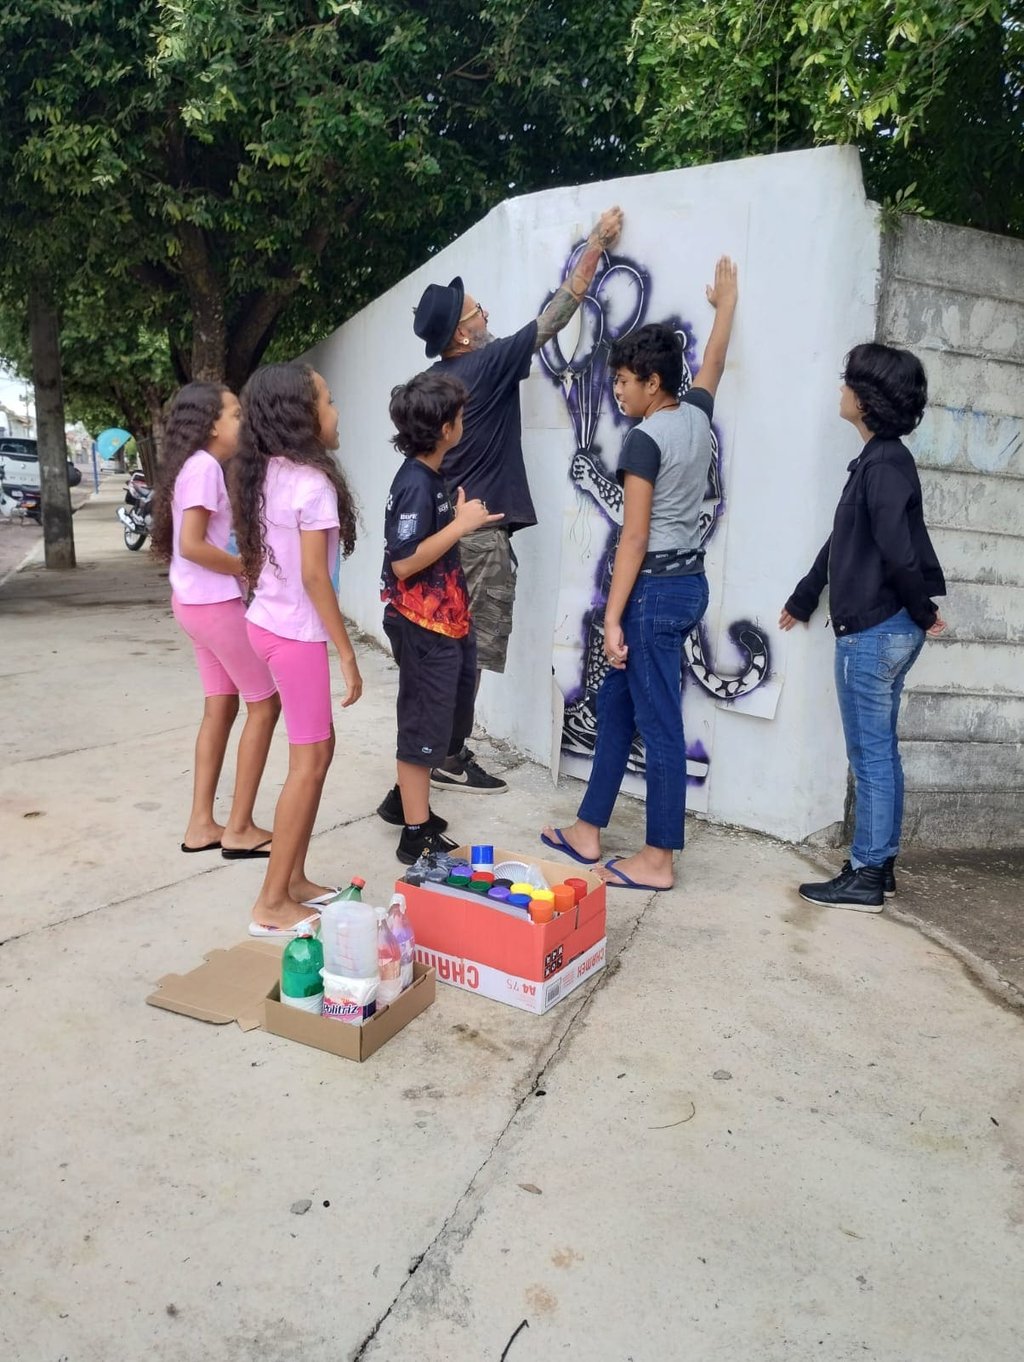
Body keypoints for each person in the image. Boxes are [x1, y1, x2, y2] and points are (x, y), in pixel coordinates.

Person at [375, 203, 625, 824]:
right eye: (476, 309)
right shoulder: (485, 365)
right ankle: (448, 755)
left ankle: (432, 758)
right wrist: (597, 242)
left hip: (452, 533)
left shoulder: (439, 378)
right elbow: (556, 316)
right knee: (470, 653)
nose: (485, 312)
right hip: (476, 538)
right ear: (463, 334)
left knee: (454, 656)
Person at [540, 257, 739, 891]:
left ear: (653, 383)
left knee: (658, 725)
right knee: (619, 706)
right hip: (689, 584)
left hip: (652, 592)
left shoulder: (645, 442)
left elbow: (633, 536)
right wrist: (725, 308)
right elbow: (712, 366)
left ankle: (659, 858)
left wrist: (616, 615)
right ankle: (588, 829)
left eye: (624, 381)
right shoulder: (697, 418)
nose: (618, 391)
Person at [780, 343, 946, 911]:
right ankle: (881, 864)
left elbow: (899, 554)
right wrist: (806, 596)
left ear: (867, 399)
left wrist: (923, 610)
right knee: (881, 753)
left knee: (871, 755)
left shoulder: (884, 464)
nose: (841, 389)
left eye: (848, 381)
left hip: (875, 631)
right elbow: (844, 540)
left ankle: (867, 875)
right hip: (886, 627)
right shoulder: (879, 460)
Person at [232, 362, 363, 936]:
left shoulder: (271, 471)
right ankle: (271, 903)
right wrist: (347, 651)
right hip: (296, 635)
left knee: (319, 752)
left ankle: (294, 878)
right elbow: (315, 576)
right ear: (303, 416)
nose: (336, 412)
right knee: (308, 764)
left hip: (266, 622)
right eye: (328, 402)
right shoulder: (312, 483)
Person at [150, 381, 280, 858]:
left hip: (192, 603)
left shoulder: (191, 467)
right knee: (265, 704)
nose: (241, 422)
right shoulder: (204, 467)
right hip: (213, 604)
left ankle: (202, 824)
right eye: (235, 414)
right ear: (209, 425)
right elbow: (193, 544)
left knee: (221, 708)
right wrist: (251, 568)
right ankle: (240, 828)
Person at [381, 372, 504, 863]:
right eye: (459, 416)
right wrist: (460, 525)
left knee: (447, 718)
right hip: (422, 626)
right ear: (446, 429)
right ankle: (416, 833)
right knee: (422, 723)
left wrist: (454, 521)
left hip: (446, 620)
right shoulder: (414, 482)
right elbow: (404, 561)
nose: (463, 422)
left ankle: (403, 800)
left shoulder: (430, 476)